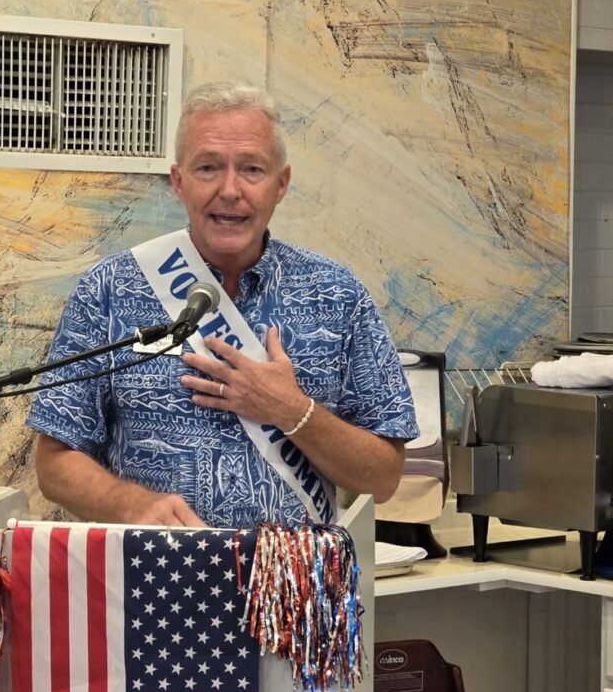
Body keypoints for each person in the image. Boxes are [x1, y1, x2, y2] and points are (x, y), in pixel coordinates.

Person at [27, 82, 417, 528]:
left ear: (281, 184)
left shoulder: (338, 294)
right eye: (209, 167)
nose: (229, 190)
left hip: (291, 589)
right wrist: (133, 505)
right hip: (151, 583)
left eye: (251, 169)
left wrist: (291, 410)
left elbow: (384, 478)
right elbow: (55, 461)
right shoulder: (110, 288)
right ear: (179, 181)